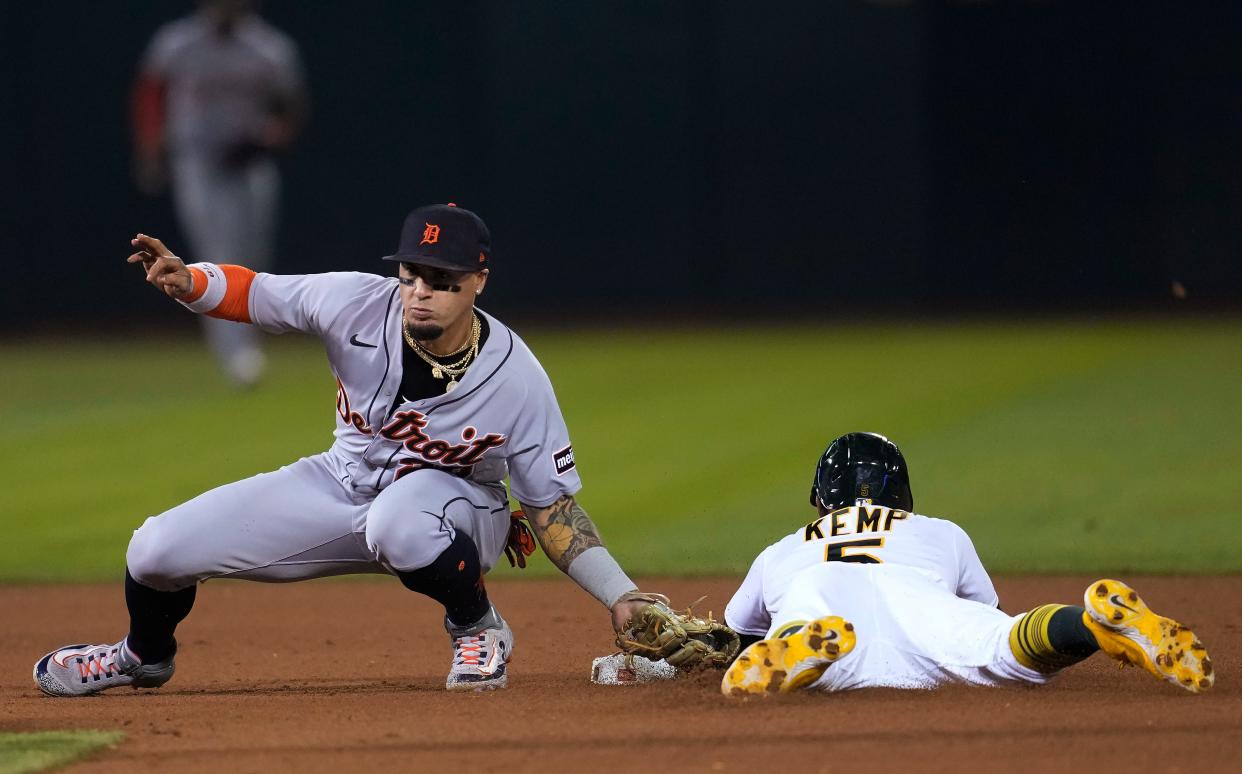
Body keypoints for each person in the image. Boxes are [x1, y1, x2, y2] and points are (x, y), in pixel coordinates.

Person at [34, 203, 656, 696]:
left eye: (442, 281)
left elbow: (551, 511)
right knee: (154, 549)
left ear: (478, 283)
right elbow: (259, 293)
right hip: (340, 484)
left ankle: (478, 627)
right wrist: (191, 280)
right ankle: (142, 657)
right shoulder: (355, 302)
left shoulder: (518, 379)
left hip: (461, 511)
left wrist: (620, 594)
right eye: (412, 275)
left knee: (402, 519)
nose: (420, 292)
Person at [720, 432, 1214, 696]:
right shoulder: (940, 533)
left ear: (821, 497)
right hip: (919, 594)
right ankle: (1094, 625)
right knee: (1003, 645)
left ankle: (799, 643)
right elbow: (991, 613)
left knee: (799, 618)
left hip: (821, 595)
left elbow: (735, 634)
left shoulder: (782, 550)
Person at [131, 0, 309, 387]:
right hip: (197, 161)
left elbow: (289, 106)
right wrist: (150, 149)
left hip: (249, 163)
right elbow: (151, 95)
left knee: (253, 257)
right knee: (217, 253)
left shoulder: (268, 47)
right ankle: (237, 354)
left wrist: (269, 135)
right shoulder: (177, 43)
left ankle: (246, 343)